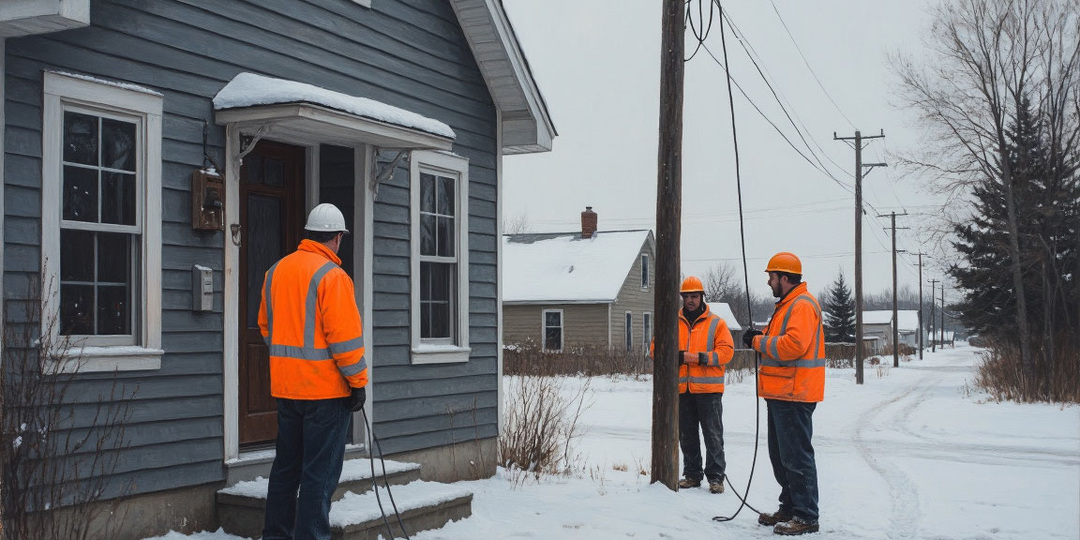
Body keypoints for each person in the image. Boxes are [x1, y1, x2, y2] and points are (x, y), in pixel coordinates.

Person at [259, 203, 369, 540]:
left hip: (286, 390)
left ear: (309, 235)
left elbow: (266, 328)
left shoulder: (275, 272)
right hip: (325, 395)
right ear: (337, 238)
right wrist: (358, 383)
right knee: (318, 476)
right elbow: (345, 341)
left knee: (286, 470)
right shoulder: (332, 276)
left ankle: (275, 535)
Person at [742, 252, 825, 536]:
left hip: (794, 393)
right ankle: (790, 507)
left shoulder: (801, 305)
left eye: (772, 276)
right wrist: (759, 337)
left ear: (785, 278)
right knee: (780, 456)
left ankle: (806, 515)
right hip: (782, 393)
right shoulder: (787, 305)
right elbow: (778, 341)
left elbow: (793, 345)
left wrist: (757, 341)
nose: (769, 281)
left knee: (796, 457)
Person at [673, 276, 734, 494]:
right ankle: (691, 475)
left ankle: (716, 477)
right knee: (686, 435)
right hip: (683, 390)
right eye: (687, 296)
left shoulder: (717, 323)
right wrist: (673, 356)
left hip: (709, 391)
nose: (690, 300)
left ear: (701, 297)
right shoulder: (672, 323)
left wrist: (698, 358)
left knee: (713, 435)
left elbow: (727, 352)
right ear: (682, 298)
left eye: (694, 296)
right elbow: (655, 349)